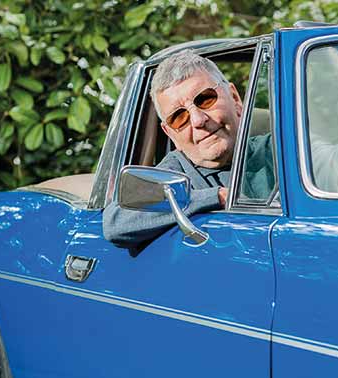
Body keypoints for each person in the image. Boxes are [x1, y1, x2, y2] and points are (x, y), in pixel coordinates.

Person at [103, 51, 273, 247]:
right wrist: (217, 197)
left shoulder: (280, 152)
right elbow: (116, 220)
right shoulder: (174, 172)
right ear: (170, 133)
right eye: (179, 117)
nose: (198, 120)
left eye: (205, 99)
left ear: (235, 98)